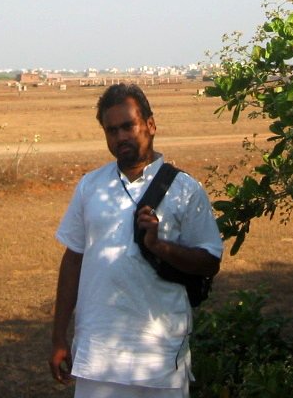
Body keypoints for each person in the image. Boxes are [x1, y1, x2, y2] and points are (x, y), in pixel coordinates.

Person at [49, 83, 223, 397]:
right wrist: (59, 336)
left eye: (128, 126)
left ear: (151, 125)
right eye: (111, 130)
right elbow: (73, 258)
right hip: (97, 353)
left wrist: (160, 246)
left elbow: (210, 260)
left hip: (159, 356)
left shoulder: (185, 189)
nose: (120, 137)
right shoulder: (90, 186)